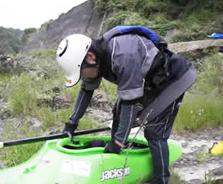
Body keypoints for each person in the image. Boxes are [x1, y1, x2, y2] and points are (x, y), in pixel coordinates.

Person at [56, 26, 197, 184]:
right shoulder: (93, 60)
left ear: (90, 57)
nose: (82, 76)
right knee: (118, 113)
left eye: (81, 72)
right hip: (147, 81)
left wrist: (118, 142)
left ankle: (161, 180)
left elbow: (130, 104)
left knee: (155, 131)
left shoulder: (123, 55)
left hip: (173, 78)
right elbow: (86, 91)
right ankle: (117, 167)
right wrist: (71, 124)